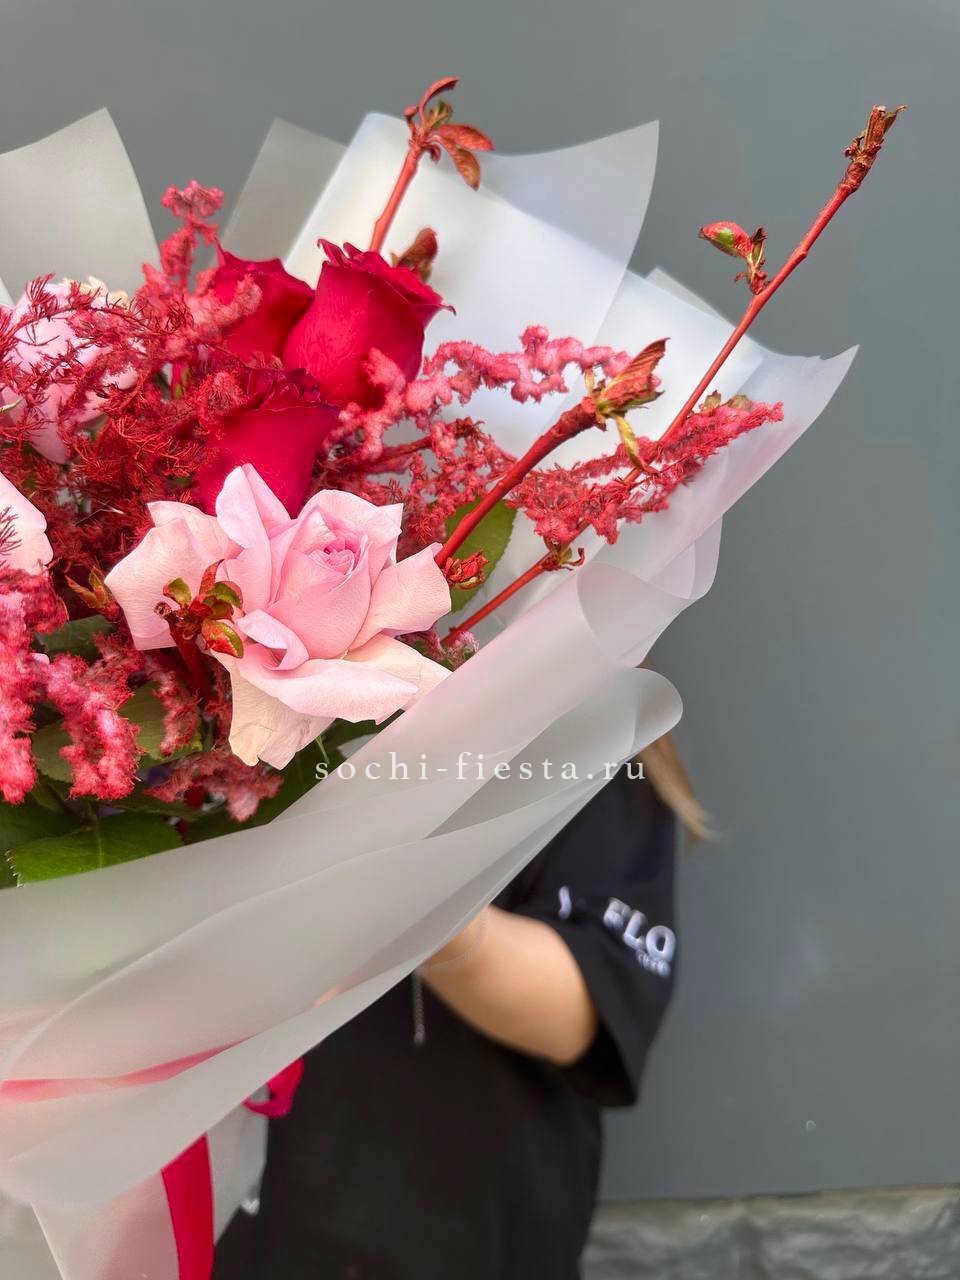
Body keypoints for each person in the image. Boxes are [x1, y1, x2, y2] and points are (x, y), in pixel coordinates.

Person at [213, 735, 705, 1280]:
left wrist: (426, 896)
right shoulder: (214, 723)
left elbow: (582, 1007)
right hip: (233, 1222)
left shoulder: (589, 738)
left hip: (457, 1218)